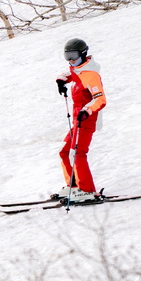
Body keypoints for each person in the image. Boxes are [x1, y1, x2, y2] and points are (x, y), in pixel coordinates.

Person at [54, 38, 106, 202]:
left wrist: (87, 111)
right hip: (78, 119)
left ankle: (87, 190)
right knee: (64, 151)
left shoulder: (91, 75)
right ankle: (74, 185)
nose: (71, 60)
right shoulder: (80, 69)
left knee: (77, 153)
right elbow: (72, 72)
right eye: (67, 56)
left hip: (86, 119)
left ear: (83, 54)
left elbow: (101, 100)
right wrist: (61, 79)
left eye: (74, 56)